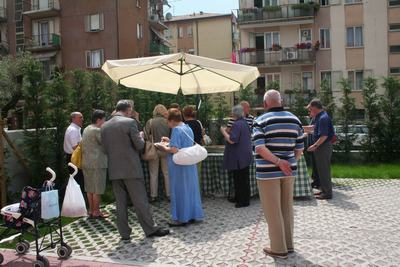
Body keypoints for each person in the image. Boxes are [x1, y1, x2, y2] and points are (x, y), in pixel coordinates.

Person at [101, 100, 169, 239]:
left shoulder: (104, 126)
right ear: (128, 110)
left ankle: (124, 233)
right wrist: (142, 138)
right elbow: (139, 145)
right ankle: (150, 229)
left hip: (114, 169)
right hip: (131, 168)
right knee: (140, 201)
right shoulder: (129, 123)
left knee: (120, 203)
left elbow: (104, 148)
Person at [252, 90, 304, 259]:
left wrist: (277, 162)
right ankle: (288, 245)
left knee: (273, 210)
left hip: (268, 173)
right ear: (281, 101)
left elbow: (260, 147)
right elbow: (299, 149)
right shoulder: (295, 119)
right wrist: (287, 163)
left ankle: (278, 249)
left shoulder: (260, 120)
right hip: (289, 171)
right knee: (286, 208)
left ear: (265, 104)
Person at [157, 108, 204, 227]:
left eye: (167, 121)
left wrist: (162, 147)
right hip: (189, 164)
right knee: (190, 190)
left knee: (179, 191)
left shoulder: (176, 130)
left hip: (179, 166)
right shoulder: (187, 127)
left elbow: (174, 149)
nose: (167, 124)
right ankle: (192, 215)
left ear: (172, 120)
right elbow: (185, 143)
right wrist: (170, 140)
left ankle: (181, 218)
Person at [220, 105, 253, 208]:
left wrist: (224, 132)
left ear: (234, 114)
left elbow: (232, 140)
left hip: (239, 157)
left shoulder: (237, 124)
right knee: (241, 178)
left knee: (240, 179)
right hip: (244, 155)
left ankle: (243, 201)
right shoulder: (244, 123)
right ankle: (239, 197)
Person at [81, 110, 109, 219]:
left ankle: (91, 211)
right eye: (104, 119)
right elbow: (106, 144)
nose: (105, 122)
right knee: (97, 189)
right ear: (98, 120)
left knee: (89, 189)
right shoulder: (97, 130)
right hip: (97, 163)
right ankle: (96, 212)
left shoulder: (86, 129)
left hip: (86, 163)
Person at [306, 99, 335, 200]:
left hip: (323, 147)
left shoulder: (323, 118)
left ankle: (327, 194)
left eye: (310, 109)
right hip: (322, 147)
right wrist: (299, 127)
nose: (309, 111)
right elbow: (313, 128)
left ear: (314, 108)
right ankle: (323, 190)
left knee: (324, 171)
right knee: (321, 171)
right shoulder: (320, 117)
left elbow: (324, 136)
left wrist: (314, 146)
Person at [145, 104, 170, 202]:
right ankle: (169, 195)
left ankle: (153, 195)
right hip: (166, 149)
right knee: (167, 173)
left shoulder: (150, 122)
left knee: (153, 173)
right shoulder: (167, 121)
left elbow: (146, 136)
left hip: (153, 150)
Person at [63, 112, 85, 195]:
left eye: (82, 117)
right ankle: (74, 199)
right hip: (74, 157)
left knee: (75, 179)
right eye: (80, 117)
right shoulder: (73, 130)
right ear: (73, 118)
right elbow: (75, 147)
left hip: (73, 157)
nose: (82, 119)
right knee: (77, 179)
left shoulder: (75, 129)